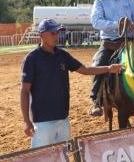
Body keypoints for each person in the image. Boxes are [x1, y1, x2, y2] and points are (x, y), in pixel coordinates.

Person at [20, 18, 122, 148]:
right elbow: (24, 91)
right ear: (41, 35)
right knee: (42, 157)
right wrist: (26, 121)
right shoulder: (32, 59)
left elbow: (85, 70)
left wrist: (108, 69)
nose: (56, 36)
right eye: (53, 33)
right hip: (42, 122)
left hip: (63, 119)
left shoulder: (63, 55)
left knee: (63, 155)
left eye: (58, 33)